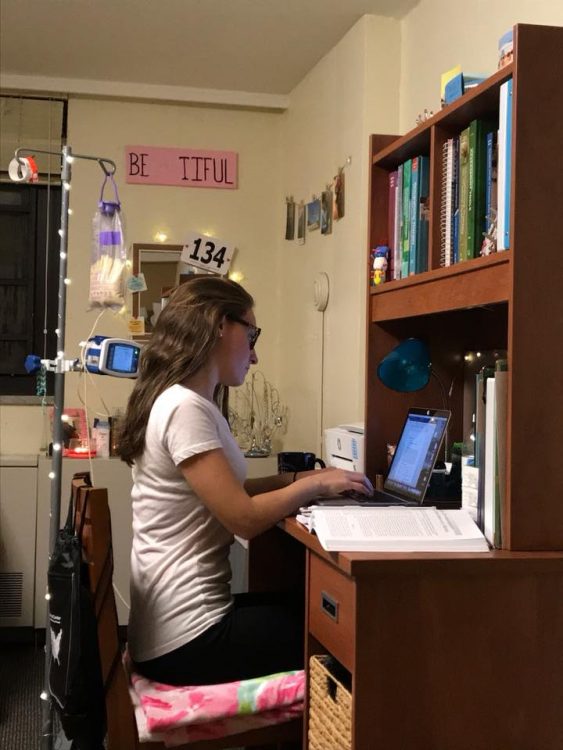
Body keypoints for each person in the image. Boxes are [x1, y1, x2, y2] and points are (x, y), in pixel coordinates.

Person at [118, 276, 373, 686]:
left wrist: (297, 477)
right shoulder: (185, 408)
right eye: (251, 334)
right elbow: (244, 519)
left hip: (172, 629)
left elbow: (230, 495)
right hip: (187, 638)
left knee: (307, 609)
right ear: (219, 324)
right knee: (344, 632)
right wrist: (316, 487)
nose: (254, 356)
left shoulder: (180, 400)